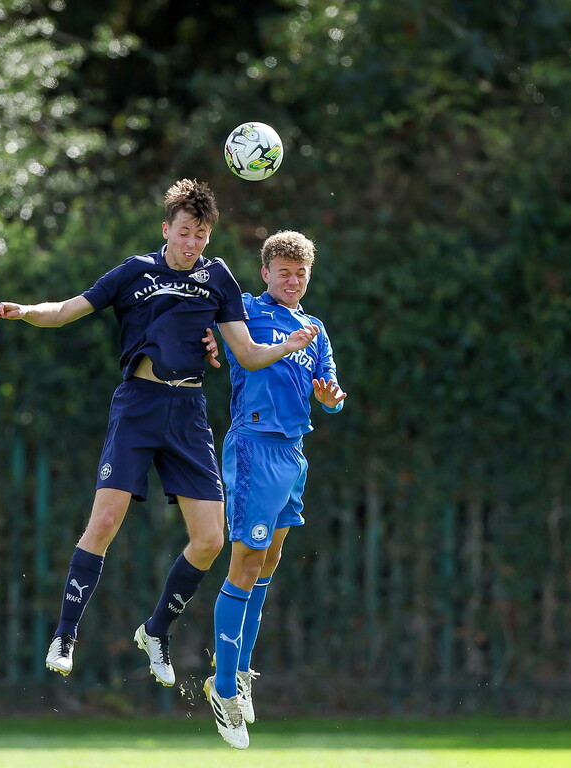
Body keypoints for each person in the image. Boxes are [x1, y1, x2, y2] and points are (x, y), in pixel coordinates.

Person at [0, 180, 318, 690]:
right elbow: (67, 310)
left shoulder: (218, 279)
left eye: (201, 235)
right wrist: (24, 311)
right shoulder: (134, 272)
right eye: (184, 232)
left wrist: (289, 344)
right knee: (105, 520)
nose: (192, 243)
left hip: (188, 412)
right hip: (139, 405)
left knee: (210, 539)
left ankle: (156, 631)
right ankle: (65, 634)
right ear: (166, 229)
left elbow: (249, 353)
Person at [204, 230, 346, 749]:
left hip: (293, 452)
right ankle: (221, 690)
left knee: (266, 564)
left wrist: (331, 398)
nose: (292, 279)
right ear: (265, 273)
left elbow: (330, 391)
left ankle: (240, 671)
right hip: (254, 446)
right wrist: (204, 341)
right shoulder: (243, 309)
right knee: (244, 562)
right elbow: (222, 342)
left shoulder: (315, 327)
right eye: (283, 271)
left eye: (300, 272)